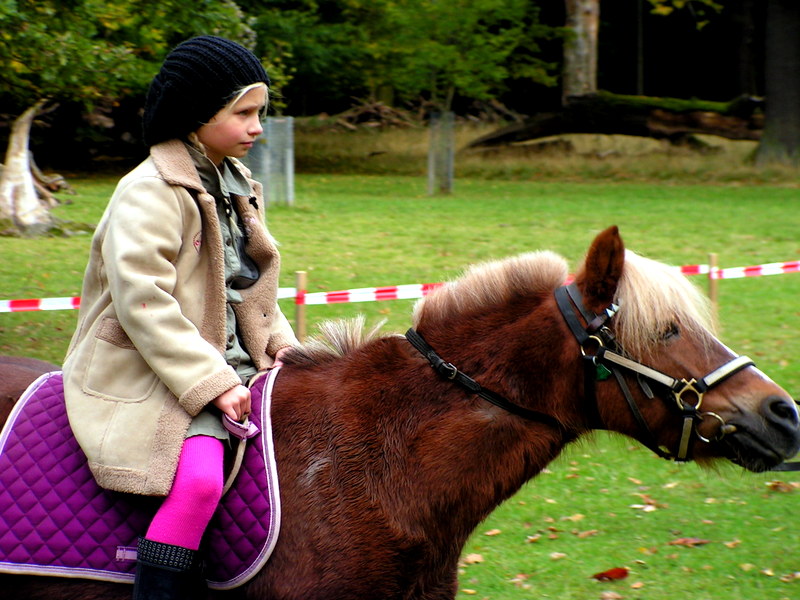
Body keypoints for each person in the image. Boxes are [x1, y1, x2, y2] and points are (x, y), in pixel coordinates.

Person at [61, 35, 298, 599]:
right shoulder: (148, 191)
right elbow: (144, 303)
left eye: (260, 112)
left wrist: (284, 344)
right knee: (196, 484)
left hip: (232, 361)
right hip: (153, 369)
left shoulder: (236, 186)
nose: (257, 126)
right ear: (196, 116)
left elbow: (249, 288)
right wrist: (211, 383)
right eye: (243, 112)